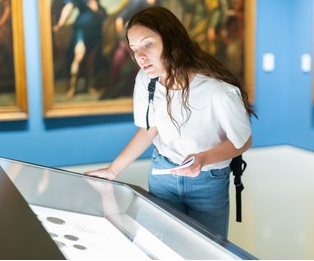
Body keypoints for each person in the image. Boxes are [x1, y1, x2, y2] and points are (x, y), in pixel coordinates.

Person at [85, 6, 256, 239]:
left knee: (206, 253)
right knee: (161, 248)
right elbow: (150, 129)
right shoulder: (146, 80)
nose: (140, 56)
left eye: (148, 44)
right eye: (134, 49)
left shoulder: (218, 92)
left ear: (171, 40)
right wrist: (113, 170)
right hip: (162, 173)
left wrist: (203, 159)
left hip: (208, 181)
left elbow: (243, 142)